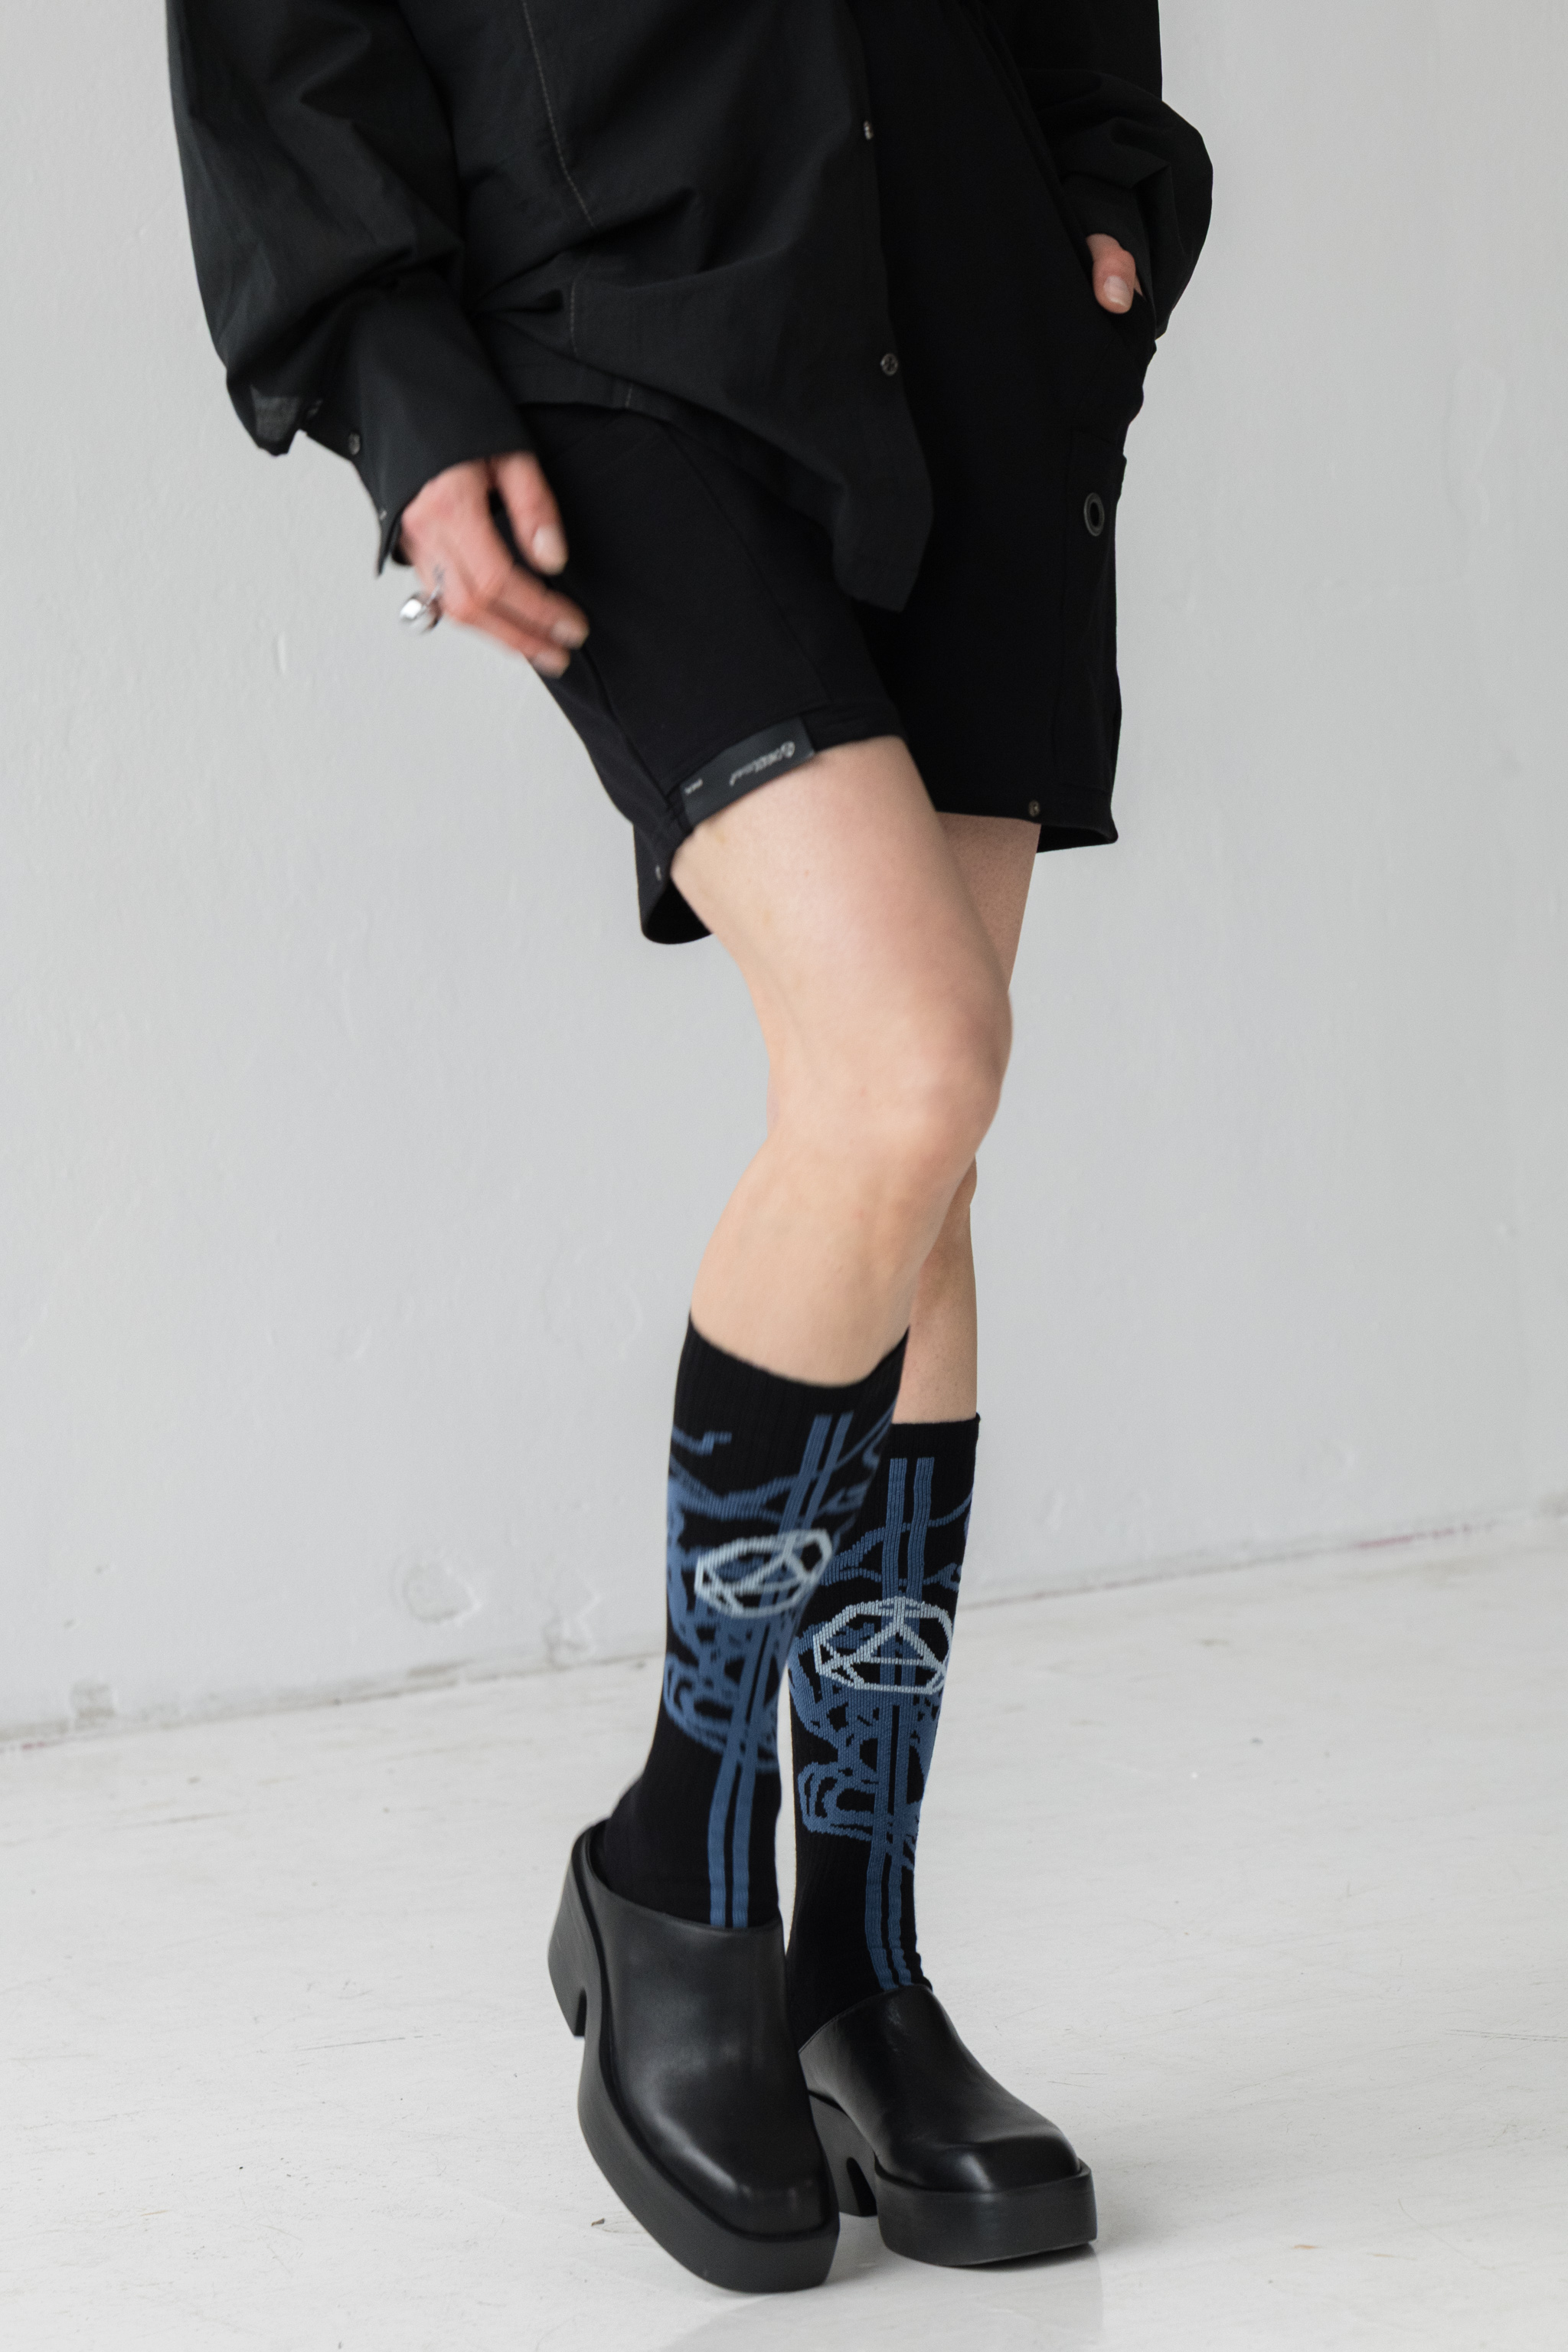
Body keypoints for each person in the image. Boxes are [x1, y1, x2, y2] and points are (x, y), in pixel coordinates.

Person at [168, 0, 1210, 2294]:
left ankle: (859, 1964)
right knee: (911, 1062)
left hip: (966, 295)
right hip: (623, 321)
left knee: (919, 1152)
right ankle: (676, 1870)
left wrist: (1105, 199)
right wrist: (397, 378)